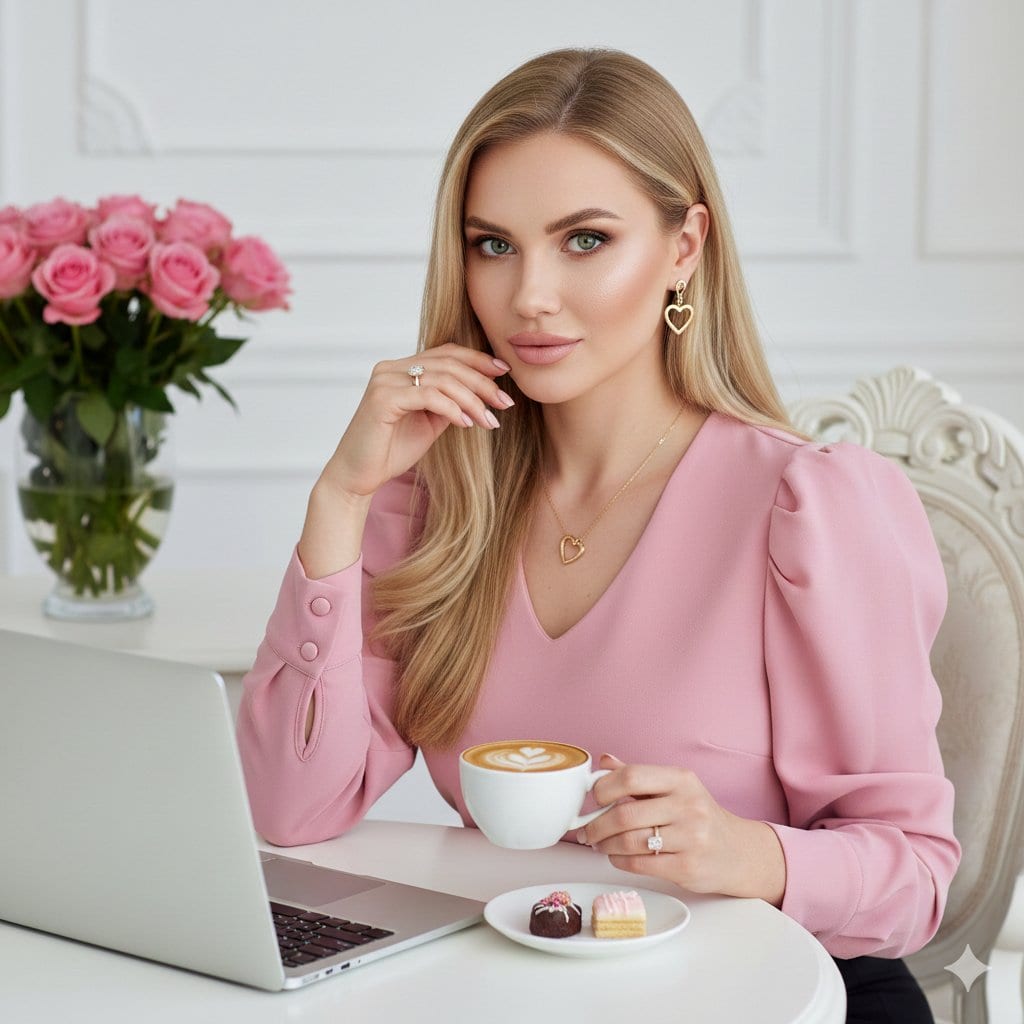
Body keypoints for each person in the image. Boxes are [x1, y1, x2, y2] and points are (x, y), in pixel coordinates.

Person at [237, 47, 960, 1022]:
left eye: (584, 240)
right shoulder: (437, 498)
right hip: (524, 991)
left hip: (788, 993)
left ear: (684, 246)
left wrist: (745, 852)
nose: (529, 296)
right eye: (493, 245)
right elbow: (290, 810)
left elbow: (916, 876)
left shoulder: (811, 505)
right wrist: (340, 497)